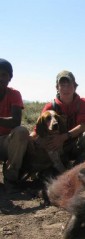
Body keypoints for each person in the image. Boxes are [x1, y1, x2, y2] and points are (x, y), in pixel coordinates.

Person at [30, 70, 85, 172]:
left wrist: (62, 138)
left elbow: (83, 126)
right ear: (57, 88)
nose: (66, 88)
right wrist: (27, 140)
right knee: (50, 175)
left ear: (75, 86)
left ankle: (77, 171)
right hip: (55, 147)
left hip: (72, 143)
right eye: (62, 85)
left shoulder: (82, 103)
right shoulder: (50, 107)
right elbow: (37, 130)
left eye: (69, 85)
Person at [0, 58, 29, 191]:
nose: (0, 78)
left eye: (4, 75)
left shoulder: (14, 94)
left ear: (9, 78)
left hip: (7, 142)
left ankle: (11, 177)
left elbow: (15, 121)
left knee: (21, 131)